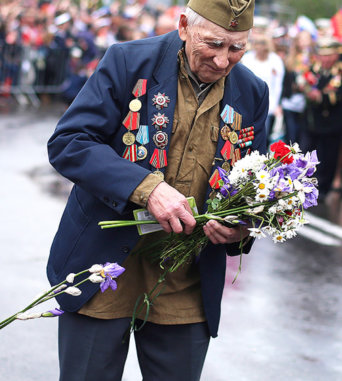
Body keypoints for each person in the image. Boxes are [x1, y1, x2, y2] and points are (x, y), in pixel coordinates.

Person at [46, 1, 268, 380]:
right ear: (183, 26)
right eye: (213, 44)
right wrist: (146, 188)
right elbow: (70, 142)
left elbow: (254, 184)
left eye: (236, 48)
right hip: (104, 272)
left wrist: (241, 228)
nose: (222, 60)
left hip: (185, 281)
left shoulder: (252, 91)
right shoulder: (127, 62)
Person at [301, 37, 342, 200]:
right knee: (306, 153)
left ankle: (323, 189)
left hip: (331, 123)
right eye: (322, 55)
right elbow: (305, 83)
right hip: (311, 121)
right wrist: (306, 90)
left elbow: (337, 94)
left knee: (327, 157)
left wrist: (321, 97)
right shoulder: (314, 69)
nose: (325, 59)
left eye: (329, 55)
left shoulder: (338, 72)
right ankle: (302, 185)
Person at [241, 35, 285, 141]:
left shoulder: (275, 60)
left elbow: (278, 85)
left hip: (267, 102)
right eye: (257, 43)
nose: (259, 47)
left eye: (262, 44)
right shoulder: (247, 58)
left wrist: (275, 105)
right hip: (247, 102)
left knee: (262, 135)